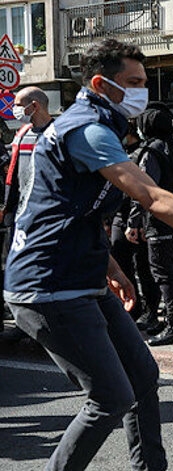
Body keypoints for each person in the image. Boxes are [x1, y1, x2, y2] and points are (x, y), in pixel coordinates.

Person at [4, 38, 173, 471]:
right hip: (48, 287)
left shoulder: (97, 123)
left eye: (144, 82)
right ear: (99, 83)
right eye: (133, 82)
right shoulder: (85, 129)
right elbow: (150, 195)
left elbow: (75, 212)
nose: (142, 91)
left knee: (144, 379)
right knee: (110, 397)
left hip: (83, 278)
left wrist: (112, 268)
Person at [126, 103, 173, 346]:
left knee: (163, 274)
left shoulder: (151, 152)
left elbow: (144, 190)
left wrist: (134, 221)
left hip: (158, 221)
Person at [0, 87, 53, 342]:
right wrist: (7, 209)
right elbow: (13, 174)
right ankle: (25, 325)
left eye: (19, 104)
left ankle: (45, 328)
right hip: (20, 216)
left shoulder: (57, 135)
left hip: (46, 217)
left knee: (44, 271)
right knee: (18, 270)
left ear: (35, 105)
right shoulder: (21, 133)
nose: (15, 109)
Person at [111, 119, 159, 330]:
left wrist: (135, 220)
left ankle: (150, 311)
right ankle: (133, 306)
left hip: (136, 218)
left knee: (144, 267)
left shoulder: (141, 153)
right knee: (121, 264)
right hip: (119, 217)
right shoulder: (118, 152)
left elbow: (139, 192)